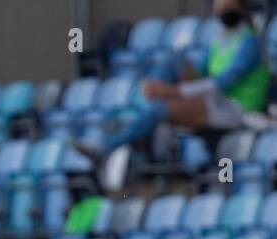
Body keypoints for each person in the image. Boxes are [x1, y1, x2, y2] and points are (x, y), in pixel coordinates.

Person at [101, 0, 270, 153]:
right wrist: (169, 89)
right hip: (215, 99)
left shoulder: (250, 42)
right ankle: (146, 103)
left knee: (158, 109)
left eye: (230, 7)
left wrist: (174, 92)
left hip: (237, 107)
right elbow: (200, 71)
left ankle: (107, 147)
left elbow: (222, 83)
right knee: (172, 60)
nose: (225, 12)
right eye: (221, 8)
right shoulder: (220, 39)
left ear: (241, 8)